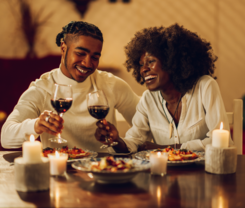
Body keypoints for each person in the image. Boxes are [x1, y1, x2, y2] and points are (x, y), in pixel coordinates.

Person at [1, 21, 140, 152]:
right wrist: (36, 125)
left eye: (95, 57)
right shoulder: (41, 88)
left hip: (103, 170)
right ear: (63, 48)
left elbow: (147, 123)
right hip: (59, 171)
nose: (87, 63)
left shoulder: (112, 84)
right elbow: (6, 137)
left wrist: (119, 142)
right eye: (80, 53)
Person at [95, 23, 233, 153]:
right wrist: (116, 140)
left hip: (204, 173)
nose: (144, 69)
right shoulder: (148, 100)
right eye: (141, 64)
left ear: (171, 61)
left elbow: (221, 141)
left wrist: (166, 148)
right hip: (163, 175)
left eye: (151, 61)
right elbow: (135, 141)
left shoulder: (205, 87)